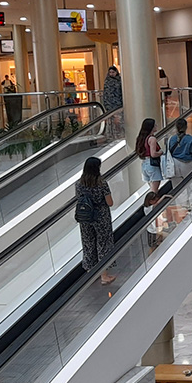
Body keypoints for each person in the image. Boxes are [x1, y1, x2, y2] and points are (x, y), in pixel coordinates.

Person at [75, 156, 116, 285]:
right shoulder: (101, 183)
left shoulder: (79, 183)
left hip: (85, 217)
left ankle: (90, 274)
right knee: (102, 244)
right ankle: (104, 275)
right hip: (101, 217)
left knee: (88, 243)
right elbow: (110, 202)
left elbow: (79, 198)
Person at [135, 118, 163, 193]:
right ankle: (153, 203)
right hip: (152, 165)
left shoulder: (142, 138)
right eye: (155, 125)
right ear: (151, 127)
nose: (156, 126)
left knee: (151, 187)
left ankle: (152, 203)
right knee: (154, 190)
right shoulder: (152, 139)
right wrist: (161, 152)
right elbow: (153, 154)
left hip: (144, 164)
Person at [102, 66, 123, 134]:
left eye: (113, 72)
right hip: (110, 103)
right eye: (110, 72)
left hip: (118, 103)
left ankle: (119, 132)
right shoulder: (107, 81)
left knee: (119, 119)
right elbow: (106, 93)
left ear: (116, 72)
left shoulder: (119, 80)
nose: (111, 74)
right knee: (113, 119)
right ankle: (114, 133)